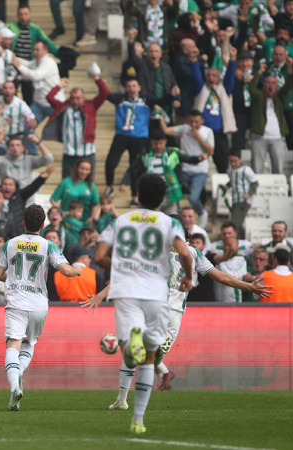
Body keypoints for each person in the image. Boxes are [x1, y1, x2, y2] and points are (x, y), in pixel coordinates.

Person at [91, 215, 270, 403]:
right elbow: (221, 277)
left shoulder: (156, 252)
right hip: (168, 311)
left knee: (148, 357)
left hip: (159, 310)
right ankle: (129, 390)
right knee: (151, 356)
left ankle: (125, 393)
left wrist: (101, 295)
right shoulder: (189, 253)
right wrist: (248, 286)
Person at [93, 173, 192, 434]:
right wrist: (189, 277)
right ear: (163, 198)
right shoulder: (170, 223)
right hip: (157, 292)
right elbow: (184, 252)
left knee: (130, 349)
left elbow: (99, 256)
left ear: (137, 196)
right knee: (149, 358)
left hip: (127, 290)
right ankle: (138, 420)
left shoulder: (120, 220)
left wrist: (121, 270)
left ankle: (128, 347)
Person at [0, 204, 81, 411]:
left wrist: (15, 279)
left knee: (13, 344)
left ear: (23, 222)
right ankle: (19, 371)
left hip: (16, 302)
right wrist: (78, 270)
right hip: (39, 304)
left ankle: (14, 385)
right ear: (43, 225)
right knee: (29, 343)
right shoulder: (48, 245)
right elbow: (66, 271)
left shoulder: (10, 243)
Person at [0, 6, 64, 105]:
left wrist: (60, 54)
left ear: (30, 15)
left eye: (25, 14)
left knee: (28, 95)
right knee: (11, 92)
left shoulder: (35, 29)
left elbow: (47, 42)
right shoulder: (12, 27)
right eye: (21, 14)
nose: (23, 17)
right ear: (17, 15)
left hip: (27, 66)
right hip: (15, 66)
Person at [120, 128, 203, 214]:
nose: (158, 146)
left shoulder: (173, 153)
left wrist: (199, 158)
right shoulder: (145, 156)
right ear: (151, 142)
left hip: (171, 196)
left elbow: (188, 159)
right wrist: (123, 183)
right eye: (155, 143)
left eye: (160, 143)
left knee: (173, 217)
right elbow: (132, 169)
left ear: (165, 141)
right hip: (152, 198)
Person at [43, 72, 109, 177]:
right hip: (69, 153)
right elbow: (49, 97)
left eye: (78, 98)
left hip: (87, 153)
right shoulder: (63, 107)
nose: (75, 101)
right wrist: (60, 85)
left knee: (89, 183)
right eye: (72, 98)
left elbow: (105, 92)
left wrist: (96, 78)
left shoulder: (91, 106)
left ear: (84, 98)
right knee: (67, 182)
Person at [105, 78, 158, 200]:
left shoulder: (146, 100)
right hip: (122, 135)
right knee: (110, 162)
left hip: (139, 137)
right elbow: (106, 95)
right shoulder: (120, 99)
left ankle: (135, 195)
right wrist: (101, 83)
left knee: (136, 167)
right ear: (125, 88)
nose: (131, 89)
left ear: (139, 88)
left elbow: (162, 100)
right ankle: (109, 186)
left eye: (134, 86)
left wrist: (173, 96)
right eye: (129, 86)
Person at [157, 110, 214, 223]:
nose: (193, 124)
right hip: (185, 170)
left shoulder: (208, 131)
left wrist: (198, 137)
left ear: (202, 121)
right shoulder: (184, 129)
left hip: (200, 171)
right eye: (191, 121)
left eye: (196, 122)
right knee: (177, 194)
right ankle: (179, 218)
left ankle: (201, 213)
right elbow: (166, 130)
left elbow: (211, 151)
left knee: (193, 197)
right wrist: (160, 115)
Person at [248, 59, 293, 174]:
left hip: (277, 137)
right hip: (259, 137)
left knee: (278, 168)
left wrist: (289, 67)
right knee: (257, 168)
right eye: (268, 83)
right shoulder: (258, 97)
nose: (271, 85)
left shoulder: (279, 98)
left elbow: (288, 85)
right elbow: (251, 88)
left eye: (273, 83)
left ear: (277, 87)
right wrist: (259, 72)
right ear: (263, 86)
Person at [11, 41, 61, 125]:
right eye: (34, 50)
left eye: (37, 50)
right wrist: (14, 59)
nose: (34, 52)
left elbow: (36, 75)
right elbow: (28, 64)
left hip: (53, 104)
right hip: (38, 103)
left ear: (46, 51)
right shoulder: (37, 62)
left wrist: (20, 67)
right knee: (27, 124)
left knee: (58, 128)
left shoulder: (49, 62)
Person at [220, 150, 258, 238]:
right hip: (235, 199)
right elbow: (233, 182)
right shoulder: (230, 170)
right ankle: (241, 238)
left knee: (234, 223)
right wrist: (226, 187)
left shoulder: (246, 170)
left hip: (244, 200)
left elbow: (255, 183)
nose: (233, 163)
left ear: (240, 159)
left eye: (235, 161)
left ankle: (236, 239)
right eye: (231, 161)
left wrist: (249, 194)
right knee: (238, 222)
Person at [49, 158, 100, 225]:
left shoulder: (91, 185)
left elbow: (96, 204)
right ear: (77, 168)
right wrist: (61, 212)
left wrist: (92, 218)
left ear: (90, 171)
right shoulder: (66, 182)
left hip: (84, 222)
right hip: (66, 222)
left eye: (87, 169)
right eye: (82, 168)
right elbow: (53, 199)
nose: (84, 172)